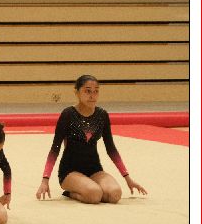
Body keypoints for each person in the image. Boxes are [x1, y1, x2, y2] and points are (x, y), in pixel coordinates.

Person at [37, 75, 148, 203]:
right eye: (87, 91)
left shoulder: (102, 115)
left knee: (115, 194)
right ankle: (70, 193)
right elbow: (55, 149)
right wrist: (45, 180)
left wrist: (128, 178)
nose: (92, 95)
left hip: (94, 170)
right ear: (77, 92)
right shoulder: (68, 114)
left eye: (96, 91)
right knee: (94, 195)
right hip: (70, 171)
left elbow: (111, 149)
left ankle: (89, 188)